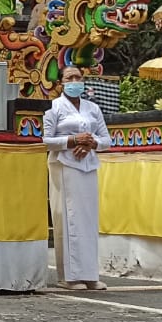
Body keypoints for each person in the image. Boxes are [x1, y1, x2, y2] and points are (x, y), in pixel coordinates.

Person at [42, 66, 111, 290]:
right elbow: (45, 139)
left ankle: (90, 274)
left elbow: (106, 139)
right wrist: (72, 141)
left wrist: (91, 143)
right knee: (67, 217)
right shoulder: (53, 107)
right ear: (61, 82)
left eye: (78, 77)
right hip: (64, 164)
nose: (75, 80)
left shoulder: (93, 108)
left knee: (88, 220)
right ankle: (69, 276)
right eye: (69, 77)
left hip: (88, 165)